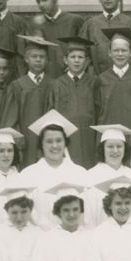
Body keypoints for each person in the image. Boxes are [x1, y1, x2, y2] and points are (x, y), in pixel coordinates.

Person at [20, 110, 91, 230]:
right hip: (40, 238)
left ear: (65, 143)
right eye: (49, 141)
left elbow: (87, 211)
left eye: (59, 140)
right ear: (41, 144)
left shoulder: (80, 173)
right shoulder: (28, 175)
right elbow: (26, 211)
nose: (54, 146)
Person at [94, 26, 131, 168]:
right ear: (109, 52)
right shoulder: (101, 79)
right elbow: (97, 113)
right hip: (108, 140)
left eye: (124, 50)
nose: (120, 54)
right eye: (116, 50)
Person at [45, 36, 98, 168]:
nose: (76, 61)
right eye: (72, 57)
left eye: (80, 57)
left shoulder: (95, 83)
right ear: (65, 60)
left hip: (90, 138)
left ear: (87, 61)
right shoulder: (56, 85)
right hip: (67, 139)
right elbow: (50, 115)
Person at [5, 35, 56, 166]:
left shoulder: (54, 85)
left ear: (47, 60)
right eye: (34, 56)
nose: (38, 60)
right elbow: (11, 120)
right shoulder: (17, 86)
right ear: (26, 59)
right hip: (25, 144)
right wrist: (18, 144)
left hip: (49, 142)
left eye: (42, 57)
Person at [79, 0, 131, 75]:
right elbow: (84, 54)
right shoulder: (90, 24)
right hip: (97, 80)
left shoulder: (130, 23)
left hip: (124, 79)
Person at [85, 124, 131, 228]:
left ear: (125, 149)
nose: (115, 150)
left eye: (119, 146)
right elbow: (88, 216)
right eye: (110, 146)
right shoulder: (90, 177)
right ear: (102, 149)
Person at [29, 0, 84, 78]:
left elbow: (84, 50)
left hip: (70, 76)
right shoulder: (36, 24)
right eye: (38, 1)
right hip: (46, 78)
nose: (41, 5)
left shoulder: (74, 21)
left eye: (45, 0)